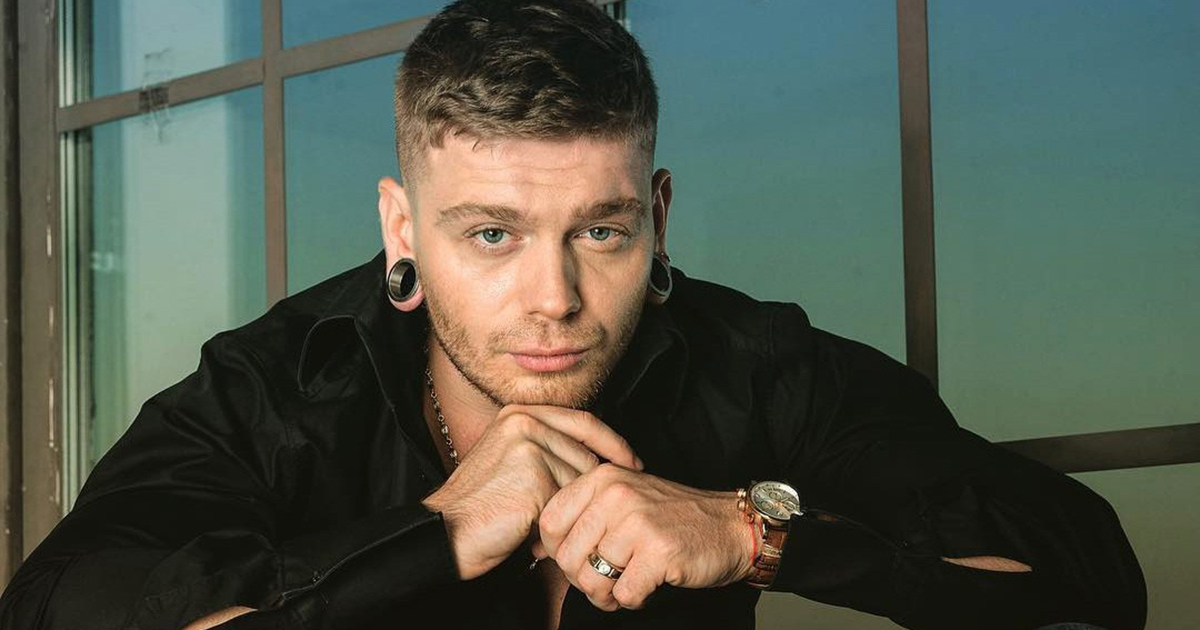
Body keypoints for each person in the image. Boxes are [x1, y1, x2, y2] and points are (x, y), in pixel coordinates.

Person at [0, 1, 1145, 629]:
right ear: (403, 230)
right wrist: (433, 533)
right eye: (491, 235)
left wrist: (753, 537)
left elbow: (1090, 578)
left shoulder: (755, 364)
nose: (554, 298)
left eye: (600, 232)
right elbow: (61, 607)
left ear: (657, 215)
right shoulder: (274, 389)